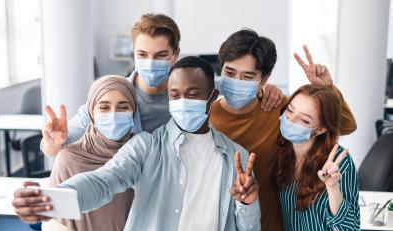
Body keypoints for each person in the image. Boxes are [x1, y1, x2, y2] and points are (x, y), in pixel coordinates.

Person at [13, 56, 261, 231]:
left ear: (213, 96)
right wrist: (51, 199)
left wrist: (247, 203)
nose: (182, 101)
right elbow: (102, 181)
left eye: (193, 94)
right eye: (174, 95)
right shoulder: (146, 147)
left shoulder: (236, 158)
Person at [209, 28, 357, 231]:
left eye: (248, 76)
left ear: (264, 79)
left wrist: (327, 88)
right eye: (230, 72)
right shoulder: (205, 116)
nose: (237, 82)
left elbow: (345, 126)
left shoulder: (279, 111)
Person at [40, 15, 283, 158]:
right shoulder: (112, 95)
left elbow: (236, 87)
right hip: (125, 199)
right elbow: (57, 145)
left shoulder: (197, 90)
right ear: (133, 53)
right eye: (142, 54)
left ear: (175, 54)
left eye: (160, 55)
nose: (150, 62)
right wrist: (52, 142)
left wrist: (267, 89)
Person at [38, 75, 136, 231]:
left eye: (123, 107)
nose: (114, 114)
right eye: (104, 107)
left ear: (134, 111)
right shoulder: (70, 159)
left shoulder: (142, 153)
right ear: (91, 111)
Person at [275, 84, 376, 231]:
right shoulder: (280, 155)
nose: (290, 120)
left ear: (320, 129)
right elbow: (291, 223)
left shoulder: (337, 162)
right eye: (290, 110)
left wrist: (332, 188)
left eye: (304, 120)